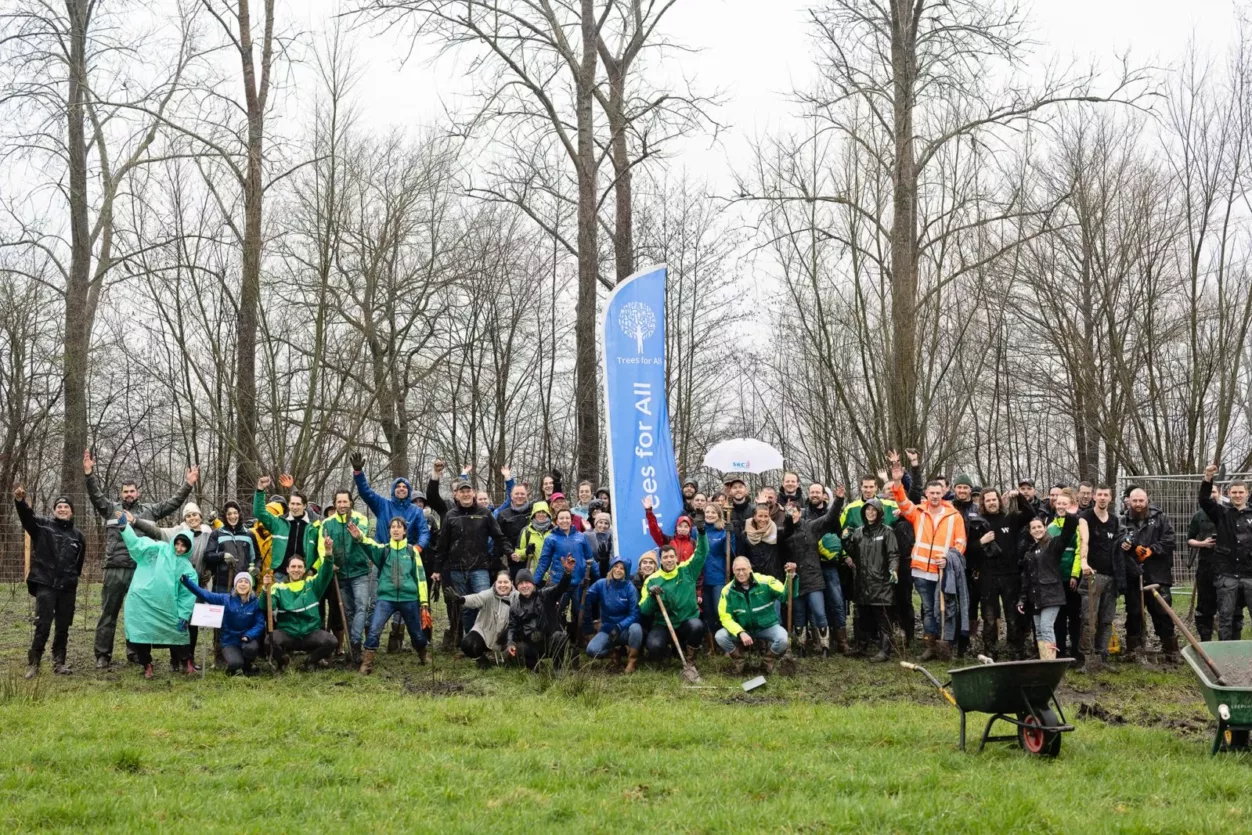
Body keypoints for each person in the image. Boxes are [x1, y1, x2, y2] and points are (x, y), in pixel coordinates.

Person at [84, 450, 196, 669]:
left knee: (139, 613)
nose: (129, 494)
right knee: (109, 612)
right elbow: (96, 496)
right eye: (125, 491)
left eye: (132, 491)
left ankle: (134, 651)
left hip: (142, 571)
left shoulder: (149, 511)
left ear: (138, 492)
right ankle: (103, 654)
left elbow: (172, 503)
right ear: (121, 493)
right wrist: (89, 475)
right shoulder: (111, 509)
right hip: (115, 567)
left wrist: (188, 484)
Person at [890, 461, 966, 661]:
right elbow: (902, 502)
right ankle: (930, 644)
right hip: (921, 571)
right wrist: (897, 481)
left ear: (943, 494)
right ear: (926, 494)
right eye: (931, 493)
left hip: (942, 571)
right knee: (928, 609)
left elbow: (960, 542)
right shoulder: (918, 512)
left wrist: (948, 559)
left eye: (938, 493)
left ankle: (946, 642)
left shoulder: (954, 516)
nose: (934, 496)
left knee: (943, 608)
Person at [14, 485, 86, 678]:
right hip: (45, 583)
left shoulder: (78, 536)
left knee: (63, 626)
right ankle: (34, 663)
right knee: (43, 623)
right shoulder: (43, 526)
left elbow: (78, 564)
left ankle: (59, 662)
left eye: (66, 507)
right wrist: (20, 502)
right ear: (54, 510)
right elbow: (27, 518)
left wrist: (70, 578)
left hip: (67, 587)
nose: (62, 509)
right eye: (59, 506)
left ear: (72, 512)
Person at [116, 512, 198, 678]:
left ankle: (186, 661)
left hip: (168, 607)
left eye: (184, 546)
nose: (179, 548)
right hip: (142, 602)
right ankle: (147, 664)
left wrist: (183, 615)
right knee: (139, 634)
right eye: (177, 543)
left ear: (188, 548)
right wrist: (125, 529)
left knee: (178, 634)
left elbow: (187, 594)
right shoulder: (157, 549)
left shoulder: (187, 568)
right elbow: (136, 545)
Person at [432, 480, 508, 645]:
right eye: (462, 492)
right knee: (465, 607)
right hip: (457, 569)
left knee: (485, 604)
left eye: (468, 491)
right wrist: (437, 569)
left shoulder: (485, 513)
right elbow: (442, 544)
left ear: (473, 493)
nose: (465, 494)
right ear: (457, 495)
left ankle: (489, 641)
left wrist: (494, 559)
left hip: (480, 569)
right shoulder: (451, 516)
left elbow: (499, 537)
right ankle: (471, 642)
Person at [353, 517, 431, 673]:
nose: (395, 529)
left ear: (404, 531)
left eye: (399, 527)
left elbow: (420, 577)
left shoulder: (412, 551)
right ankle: (367, 663)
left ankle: (423, 655)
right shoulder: (384, 550)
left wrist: (423, 602)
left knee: (416, 633)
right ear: (389, 531)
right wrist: (360, 538)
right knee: (375, 629)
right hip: (385, 598)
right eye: (393, 527)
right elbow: (370, 545)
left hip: (409, 598)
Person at [782, 487, 845, 655]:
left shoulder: (811, 526)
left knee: (819, 611)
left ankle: (825, 646)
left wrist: (838, 500)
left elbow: (829, 517)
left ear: (800, 513)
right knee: (799, 614)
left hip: (813, 577)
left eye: (795, 512)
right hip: (795, 579)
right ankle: (801, 646)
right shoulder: (784, 533)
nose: (793, 515)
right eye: (789, 513)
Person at [1119, 486, 1178, 662]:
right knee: (1134, 612)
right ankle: (1134, 649)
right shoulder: (1123, 521)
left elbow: (1170, 541)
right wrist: (1128, 545)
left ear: (1147, 500)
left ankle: (1170, 649)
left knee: (1162, 612)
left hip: (1158, 573)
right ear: (1129, 501)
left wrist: (1152, 550)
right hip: (1133, 574)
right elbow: (1120, 540)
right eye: (1134, 501)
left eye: (1141, 500)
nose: (1138, 504)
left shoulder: (1161, 518)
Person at [258, 550, 338, 672]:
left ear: (304, 569)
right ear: (287, 569)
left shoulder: (312, 584)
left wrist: (328, 555)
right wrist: (265, 589)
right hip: (288, 633)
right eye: (293, 567)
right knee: (269, 641)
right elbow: (266, 606)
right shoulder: (277, 588)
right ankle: (283, 660)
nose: (296, 569)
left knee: (332, 641)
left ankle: (311, 660)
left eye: (300, 567)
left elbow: (325, 573)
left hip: (310, 633)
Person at [319, 490, 374, 665]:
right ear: (335, 504)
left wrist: (358, 536)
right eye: (339, 502)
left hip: (360, 572)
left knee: (361, 607)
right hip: (340, 574)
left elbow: (364, 537)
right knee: (349, 612)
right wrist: (328, 562)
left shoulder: (360, 519)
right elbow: (322, 547)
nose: (342, 505)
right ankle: (352, 649)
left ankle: (356, 644)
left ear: (351, 502)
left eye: (345, 501)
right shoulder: (327, 523)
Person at [1199, 464, 1252, 641]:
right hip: (1226, 574)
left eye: (1240, 492)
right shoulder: (1221, 513)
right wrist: (1208, 478)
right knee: (1225, 618)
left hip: (1250, 574)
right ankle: (1225, 657)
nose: (1237, 495)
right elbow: (1204, 501)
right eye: (1234, 492)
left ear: (1247, 493)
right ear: (1228, 493)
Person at [842, 499, 899, 662]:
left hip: (881, 582)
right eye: (868, 510)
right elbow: (853, 552)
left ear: (880, 513)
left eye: (874, 510)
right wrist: (846, 540)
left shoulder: (887, 531)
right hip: (862, 582)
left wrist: (893, 569)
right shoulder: (858, 532)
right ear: (864, 512)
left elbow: (893, 554)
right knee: (861, 617)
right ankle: (861, 647)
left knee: (883, 619)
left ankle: (885, 650)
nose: (871, 513)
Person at [1018, 508, 1080, 659]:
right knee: (1038, 630)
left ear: (1045, 528)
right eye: (1034, 528)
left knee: (1046, 628)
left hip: (1052, 596)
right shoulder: (1029, 553)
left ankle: (1051, 663)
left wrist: (1070, 515)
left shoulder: (1053, 545)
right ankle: (1043, 661)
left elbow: (1066, 534)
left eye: (1039, 527)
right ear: (1030, 531)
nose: (1037, 530)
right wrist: (1022, 599)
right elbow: (1026, 578)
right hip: (1035, 598)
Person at [714, 556, 793, 673]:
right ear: (733, 570)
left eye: (744, 569)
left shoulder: (766, 582)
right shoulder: (727, 591)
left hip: (767, 627)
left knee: (783, 638)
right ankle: (740, 661)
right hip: (743, 629)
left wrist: (790, 576)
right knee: (720, 636)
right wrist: (740, 632)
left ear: (750, 568)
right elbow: (725, 617)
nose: (741, 573)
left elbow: (785, 595)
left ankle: (767, 662)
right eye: (737, 570)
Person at [979, 488, 1032, 659]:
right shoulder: (978, 523)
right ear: (983, 503)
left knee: (1013, 615)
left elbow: (1030, 514)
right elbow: (970, 548)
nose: (992, 503)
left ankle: (1014, 649)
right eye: (988, 500)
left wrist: (1020, 497)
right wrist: (981, 541)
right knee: (989, 616)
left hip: (1011, 575)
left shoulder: (1010, 519)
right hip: (988, 576)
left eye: (994, 499)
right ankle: (990, 649)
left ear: (999, 501)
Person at [639, 532, 708, 662]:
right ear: (660, 560)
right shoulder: (652, 580)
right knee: (654, 645)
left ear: (676, 558)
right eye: (665, 557)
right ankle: (667, 651)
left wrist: (702, 532)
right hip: (664, 623)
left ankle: (689, 658)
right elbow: (644, 610)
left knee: (697, 626)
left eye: (671, 556)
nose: (669, 560)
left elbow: (702, 552)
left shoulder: (687, 570)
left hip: (686, 621)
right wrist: (651, 597)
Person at [180, 571, 264, 676]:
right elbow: (204, 594)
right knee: (235, 663)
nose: (243, 584)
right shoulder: (225, 599)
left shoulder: (256, 602)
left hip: (247, 639)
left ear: (250, 586)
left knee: (251, 648)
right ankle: (234, 668)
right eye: (240, 581)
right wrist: (187, 581)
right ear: (235, 585)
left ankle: (247, 667)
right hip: (229, 640)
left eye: (246, 582)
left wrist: (249, 635)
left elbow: (260, 623)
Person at [1079, 485, 1122, 672]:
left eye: (1106, 495)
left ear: (1111, 498)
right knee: (1089, 618)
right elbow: (1084, 540)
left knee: (1106, 619)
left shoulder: (1115, 521)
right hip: (1093, 576)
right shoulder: (1086, 517)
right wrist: (1083, 561)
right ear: (1094, 497)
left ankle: (1102, 656)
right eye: (1099, 495)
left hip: (1111, 577)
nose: (1102, 498)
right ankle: (1086, 658)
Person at [535, 508, 597, 636]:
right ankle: (557, 637)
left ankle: (580, 637)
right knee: (558, 611)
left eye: (567, 518)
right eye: (561, 518)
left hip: (578, 582)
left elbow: (589, 558)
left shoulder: (581, 537)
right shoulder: (551, 538)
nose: (564, 521)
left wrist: (599, 576)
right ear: (556, 521)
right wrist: (534, 581)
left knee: (579, 610)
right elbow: (544, 561)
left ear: (571, 520)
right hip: (559, 583)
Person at [507, 559, 575, 670]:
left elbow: (560, 588)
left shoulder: (545, 595)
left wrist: (567, 573)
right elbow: (512, 627)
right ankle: (534, 667)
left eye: (527, 582)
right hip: (530, 645)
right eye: (521, 583)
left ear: (533, 584)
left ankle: (558, 668)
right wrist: (510, 643)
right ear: (517, 586)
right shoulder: (515, 606)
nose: (524, 586)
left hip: (549, 641)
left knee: (560, 636)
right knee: (517, 648)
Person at [252, 475, 321, 580]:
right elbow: (259, 512)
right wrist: (260, 490)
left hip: (304, 576)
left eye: (298, 504)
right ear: (288, 505)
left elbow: (320, 553)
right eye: (292, 503)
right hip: (281, 575)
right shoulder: (278, 523)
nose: (295, 507)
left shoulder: (314, 528)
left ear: (305, 506)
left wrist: (313, 570)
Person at [583, 556, 644, 671]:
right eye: (616, 566)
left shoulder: (630, 589)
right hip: (607, 630)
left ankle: (632, 661)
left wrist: (619, 626)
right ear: (611, 568)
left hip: (624, 630)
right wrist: (584, 590)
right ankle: (614, 653)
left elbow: (635, 614)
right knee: (591, 650)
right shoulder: (601, 584)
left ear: (626, 572)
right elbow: (587, 598)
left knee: (636, 628)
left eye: (622, 568)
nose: (618, 570)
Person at [443, 572, 516, 667]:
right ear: (495, 583)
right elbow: (476, 598)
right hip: (484, 632)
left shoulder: (517, 598)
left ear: (512, 583)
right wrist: (460, 599)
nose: (502, 585)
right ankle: (481, 660)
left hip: (505, 638)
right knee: (467, 644)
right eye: (500, 582)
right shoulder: (488, 594)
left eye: (506, 582)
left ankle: (502, 659)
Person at [1047, 489, 1087, 661]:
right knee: (1059, 617)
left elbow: (1079, 551)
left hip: (1072, 577)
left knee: (1075, 615)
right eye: (1059, 503)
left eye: (1065, 503)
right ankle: (1060, 650)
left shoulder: (1077, 524)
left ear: (1071, 505)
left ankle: (1077, 651)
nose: (1061, 506)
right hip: (1056, 578)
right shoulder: (1050, 526)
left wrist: (1074, 575)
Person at [951, 475, 989, 652]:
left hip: (973, 564)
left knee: (971, 602)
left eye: (966, 488)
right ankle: (951, 638)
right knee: (952, 600)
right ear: (954, 489)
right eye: (959, 487)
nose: (962, 491)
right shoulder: (948, 508)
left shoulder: (978, 510)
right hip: (951, 561)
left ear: (970, 490)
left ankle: (967, 640)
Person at [697, 504, 735, 644]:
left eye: (713, 512)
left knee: (719, 609)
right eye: (707, 512)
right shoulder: (698, 531)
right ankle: (711, 642)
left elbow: (731, 552)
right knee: (707, 611)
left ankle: (726, 640)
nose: (710, 515)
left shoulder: (723, 531)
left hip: (718, 577)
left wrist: (731, 536)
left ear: (719, 515)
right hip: (702, 577)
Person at [644, 496, 695, 563]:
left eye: (686, 527)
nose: (683, 529)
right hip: (670, 572)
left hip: (687, 573)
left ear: (690, 529)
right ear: (676, 527)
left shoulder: (693, 543)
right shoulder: (668, 541)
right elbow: (655, 531)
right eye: (680, 526)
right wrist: (649, 512)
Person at [514, 501, 554, 577]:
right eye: (538, 512)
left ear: (547, 514)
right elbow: (517, 554)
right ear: (534, 514)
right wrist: (526, 551)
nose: (541, 514)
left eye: (543, 512)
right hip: (533, 575)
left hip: (552, 576)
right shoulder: (526, 531)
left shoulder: (555, 530)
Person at [742, 503, 783, 576]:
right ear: (754, 517)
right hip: (754, 576)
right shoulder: (746, 534)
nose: (763, 519)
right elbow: (742, 556)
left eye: (766, 516)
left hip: (773, 575)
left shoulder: (776, 532)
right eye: (760, 516)